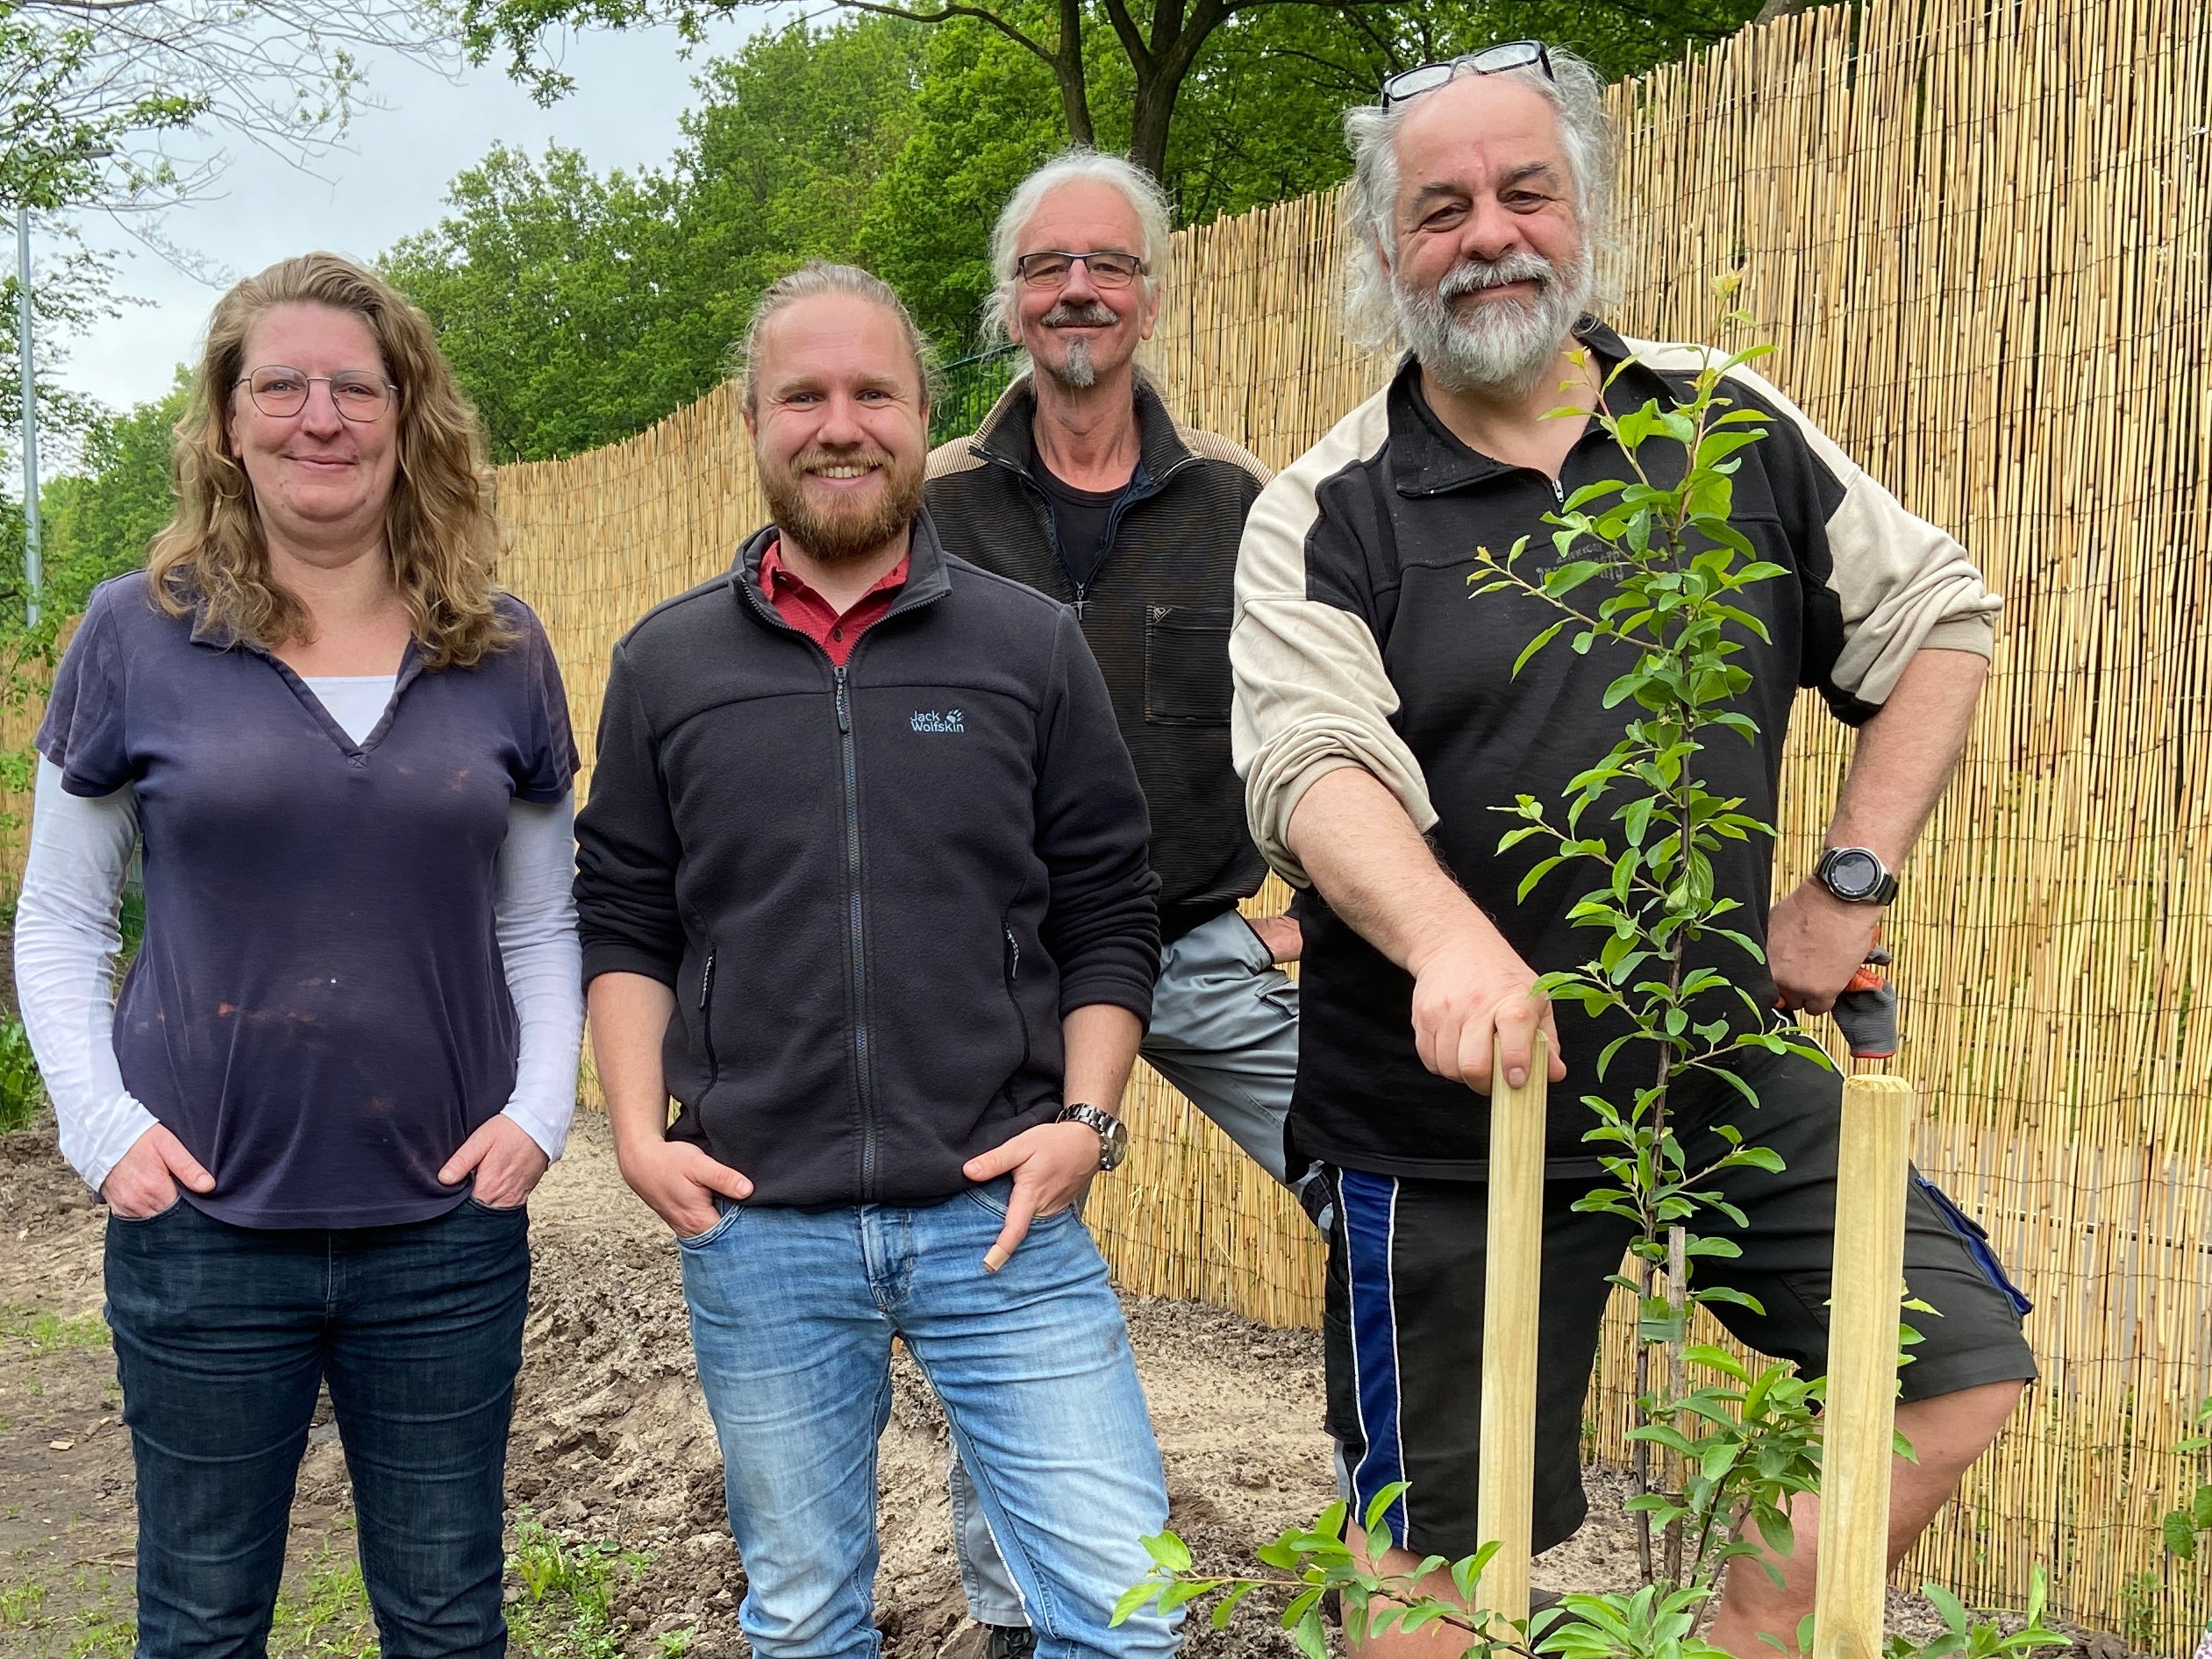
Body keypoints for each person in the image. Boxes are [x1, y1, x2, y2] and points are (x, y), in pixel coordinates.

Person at [1230, 44, 2037, 1654]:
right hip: (1446, 1122)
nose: (1489, 235)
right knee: (1442, 1548)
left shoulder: (1719, 426)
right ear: (1384, 250)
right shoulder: (1329, 509)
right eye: (1440, 208)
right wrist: (1452, 948)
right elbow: (1310, 764)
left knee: (1948, 1363)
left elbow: (1939, 617)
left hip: (1708, 1059)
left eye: (1524, 192)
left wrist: (1847, 882)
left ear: (1583, 211)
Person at [574, 261, 1179, 1659]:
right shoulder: (667, 665)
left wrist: (1085, 1122)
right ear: (751, 422)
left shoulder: (1028, 648)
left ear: (921, 418)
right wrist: (637, 1136)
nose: (838, 425)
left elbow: (1108, 906)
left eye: (872, 393)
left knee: (1126, 1612)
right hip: (760, 1227)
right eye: (803, 396)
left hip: (998, 1217)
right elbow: (625, 915)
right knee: (803, 1620)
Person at [12, 252, 582, 1655]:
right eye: (281, 385)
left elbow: (539, 919)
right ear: (226, 419)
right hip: (201, 1224)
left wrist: (537, 1113)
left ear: (406, 416)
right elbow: (62, 916)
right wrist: (101, 1129)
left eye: (354, 388)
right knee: (201, 1617)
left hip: (445, 1231)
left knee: (447, 1617)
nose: (318, 417)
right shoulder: (134, 634)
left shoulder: (500, 649)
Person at [922, 150, 1303, 1655]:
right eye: (1047, 267)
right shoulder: (929, 504)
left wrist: (1309, 924)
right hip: (1000, 971)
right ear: (1009, 301)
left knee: (1387, 1191)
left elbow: (1334, 716)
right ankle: (1019, 1616)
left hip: (1201, 944)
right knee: (997, 1266)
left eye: (1109, 265)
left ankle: (1397, 1554)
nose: (1077, 291)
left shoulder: (1240, 500)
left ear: (1150, 293)